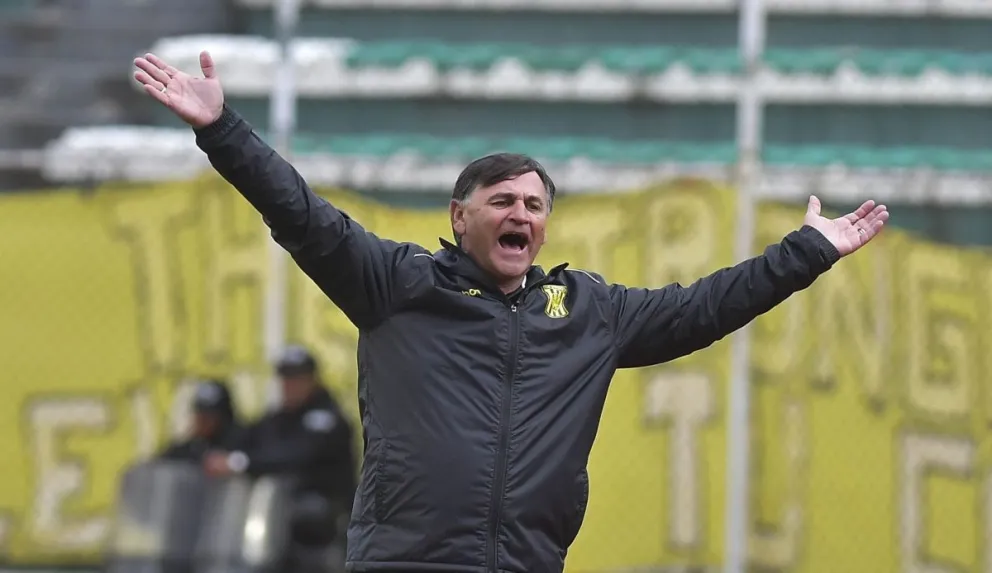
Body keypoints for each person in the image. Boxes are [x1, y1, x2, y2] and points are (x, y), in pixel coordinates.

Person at [133, 51, 888, 573]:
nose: (520, 213)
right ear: (460, 216)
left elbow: (703, 309)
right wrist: (222, 131)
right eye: (502, 201)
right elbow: (303, 215)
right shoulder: (398, 283)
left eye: (534, 204)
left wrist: (808, 251)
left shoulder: (589, 311)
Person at [202, 345, 357, 556]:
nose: (289, 385)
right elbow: (243, 438)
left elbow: (296, 456)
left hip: (323, 531)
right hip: (275, 521)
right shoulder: (279, 419)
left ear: (312, 380)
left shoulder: (327, 420)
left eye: (296, 379)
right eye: (285, 378)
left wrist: (239, 462)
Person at [158, 378, 244, 464]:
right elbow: (163, 461)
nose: (203, 421)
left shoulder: (240, 440)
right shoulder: (190, 445)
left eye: (209, 416)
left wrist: (231, 462)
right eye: (200, 415)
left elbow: (250, 458)